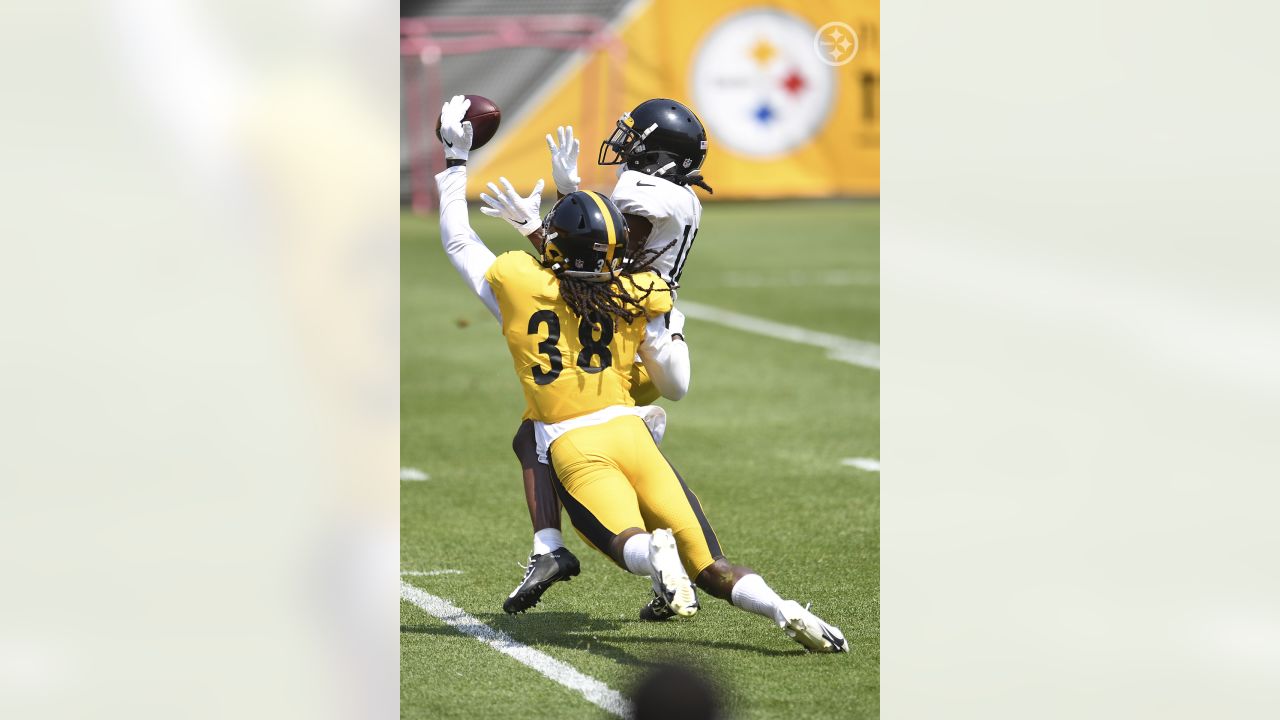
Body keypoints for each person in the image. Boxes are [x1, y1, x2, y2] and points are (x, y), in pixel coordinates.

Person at [437, 95, 848, 652]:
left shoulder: (520, 280)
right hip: (633, 399)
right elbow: (609, 266)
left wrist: (460, 165)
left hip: (576, 437)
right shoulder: (635, 292)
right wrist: (559, 207)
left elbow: (461, 239)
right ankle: (783, 608)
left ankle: (579, 551)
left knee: (624, 536)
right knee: (712, 564)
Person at [492, 99, 712, 617]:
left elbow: (599, 263)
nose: (623, 145)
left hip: (624, 335)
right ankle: (566, 549)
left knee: (559, 448)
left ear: (658, 153)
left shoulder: (646, 193)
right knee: (536, 436)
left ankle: (552, 549)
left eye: (634, 139)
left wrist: (533, 224)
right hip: (646, 329)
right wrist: (571, 193)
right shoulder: (677, 195)